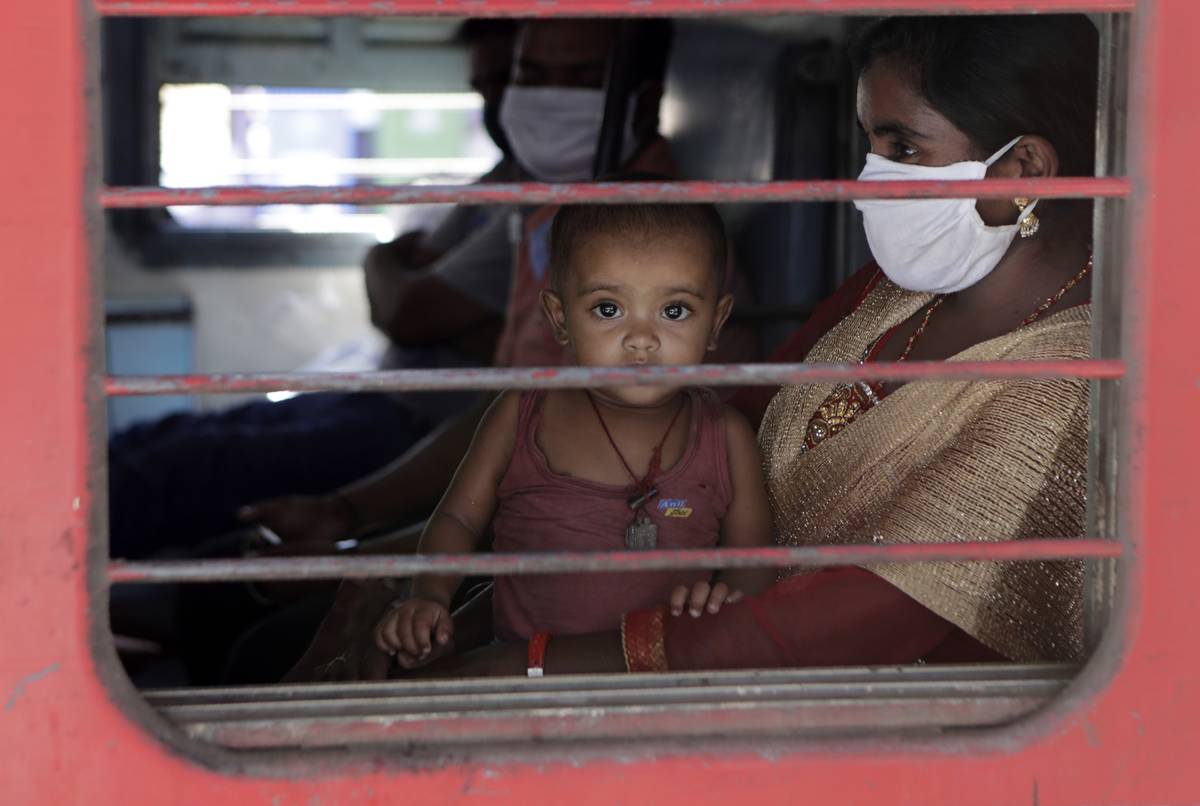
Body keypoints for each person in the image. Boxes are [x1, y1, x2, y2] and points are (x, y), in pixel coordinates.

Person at [413, 13, 1101, 679]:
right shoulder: (895, 293)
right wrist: (487, 609)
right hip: (685, 637)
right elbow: (704, 432)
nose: (870, 183)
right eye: (869, 148)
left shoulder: (1065, 390)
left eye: (904, 150)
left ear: (1025, 171)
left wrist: (523, 665)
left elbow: (844, 625)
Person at [107, 20, 522, 558]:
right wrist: (405, 274)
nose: (495, 100)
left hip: (421, 428)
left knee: (170, 473)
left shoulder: (545, 201)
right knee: (156, 435)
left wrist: (397, 272)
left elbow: (405, 308)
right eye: (482, 84)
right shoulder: (504, 178)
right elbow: (411, 275)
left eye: (513, 80)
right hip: (383, 394)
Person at [373, 204, 773, 668]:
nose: (641, 338)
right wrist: (428, 595)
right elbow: (459, 520)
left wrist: (723, 602)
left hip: (662, 686)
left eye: (674, 310)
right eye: (609, 309)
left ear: (716, 323)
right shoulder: (523, 415)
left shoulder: (724, 437)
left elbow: (754, 557)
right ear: (560, 318)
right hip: (524, 683)